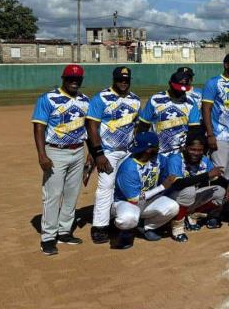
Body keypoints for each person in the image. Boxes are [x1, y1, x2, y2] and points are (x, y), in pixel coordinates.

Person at [32, 64, 91, 255]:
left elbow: (89, 130)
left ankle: (65, 231)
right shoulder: (48, 98)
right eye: (70, 78)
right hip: (55, 152)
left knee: (72, 193)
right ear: (63, 78)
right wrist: (42, 154)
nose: (74, 81)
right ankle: (48, 237)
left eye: (78, 79)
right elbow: (39, 127)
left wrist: (91, 154)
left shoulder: (85, 100)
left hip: (77, 151)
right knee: (53, 194)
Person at [86, 66, 142, 244]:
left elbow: (135, 126)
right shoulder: (101, 98)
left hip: (126, 151)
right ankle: (99, 226)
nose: (123, 82)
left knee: (122, 187)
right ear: (114, 79)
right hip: (107, 152)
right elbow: (92, 127)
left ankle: (115, 220)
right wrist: (97, 154)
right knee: (106, 187)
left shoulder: (135, 100)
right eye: (120, 79)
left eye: (126, 80)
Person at [110, 132, 178, 249]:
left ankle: (146, 227)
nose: (158, 148)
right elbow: (135, 199)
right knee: (127, 219)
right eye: (156, 146)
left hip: (148, 201)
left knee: (173, 207)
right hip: (126, 203)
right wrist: (162, 187)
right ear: (148, 150)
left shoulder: (158, 159)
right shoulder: (128, 167)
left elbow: (170, 170)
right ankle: (125, 231)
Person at [162, 130, 226, 240]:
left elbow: (216, 177)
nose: (196, 153)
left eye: (199, 150)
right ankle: (177, 228)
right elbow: (178, 183)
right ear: (185, 148)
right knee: (189, 190)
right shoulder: (175, 159)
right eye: (193, 149)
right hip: (168, 198)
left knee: (220, 191)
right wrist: (207, 175)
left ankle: (192, 214)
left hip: (187, 198)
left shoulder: (204, 160)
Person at [137, 71, 202, 156]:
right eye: (178, 88)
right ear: (170, 84)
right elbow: (143, 125)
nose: (180, 92)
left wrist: (188, 147)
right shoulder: (156, 99)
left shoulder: (190, 102)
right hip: (157, 151)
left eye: (183, 89)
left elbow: (194, 129)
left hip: (180, 152)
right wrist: (141, 147)